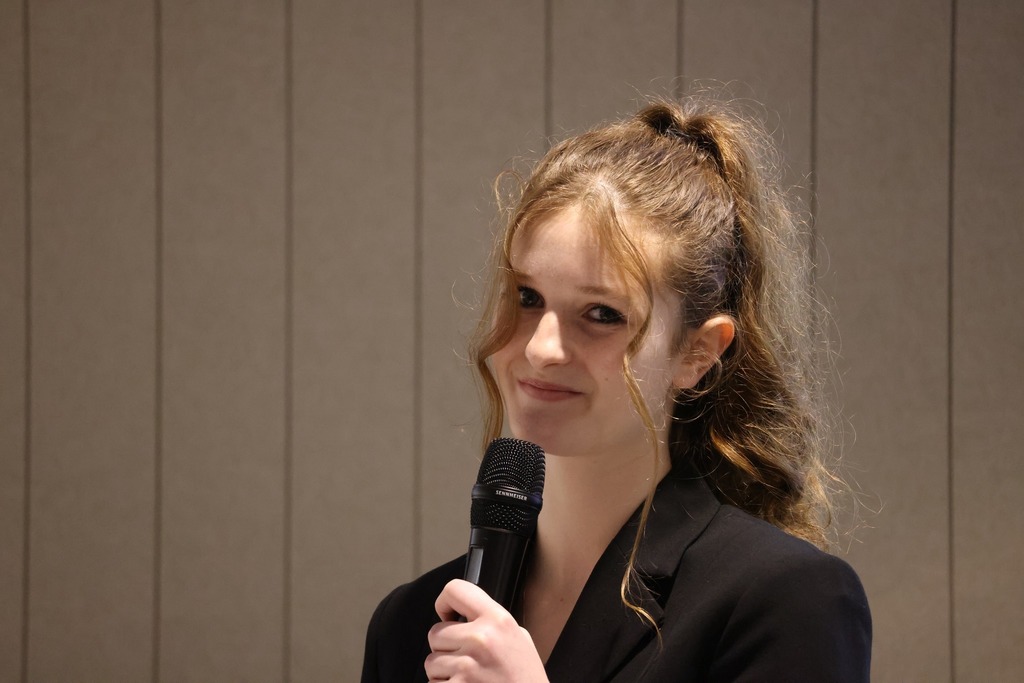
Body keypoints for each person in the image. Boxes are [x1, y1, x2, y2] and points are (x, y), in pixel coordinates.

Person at [361, 96, 872, 682]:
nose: (541, 348)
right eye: (528, 299)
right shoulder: (409, 625)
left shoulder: (784, 600)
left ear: (698, 352)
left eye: (602, 314)